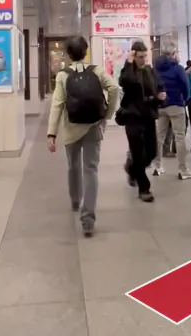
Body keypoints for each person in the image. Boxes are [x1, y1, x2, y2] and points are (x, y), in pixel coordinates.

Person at [47, 36, 119, 236]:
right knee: (91, 170)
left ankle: (75, 200)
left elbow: (57, 104)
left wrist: (52, 133)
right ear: (86, 52)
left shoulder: (63, 75)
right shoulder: (97, 71)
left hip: (71, 128)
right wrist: (106, 115)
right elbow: (114, 88)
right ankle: (88, 219)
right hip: (93, 126)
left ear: (69, 55)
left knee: (73, 165)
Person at [120, 41, 166, 202]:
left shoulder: (149, 70)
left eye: (145, 56)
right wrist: (129, 62)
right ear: (134, 56)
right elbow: (126, 81)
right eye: (140, 57)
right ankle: (144, 189)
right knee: (138, 153)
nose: (143, 59)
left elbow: (159, 85)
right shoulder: (128, 72)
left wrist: (161, 94)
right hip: (132, 117)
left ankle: (131, 168)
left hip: (148, 116)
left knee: (151, 152)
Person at [153, 43, 191, 180]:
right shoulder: (178, 68)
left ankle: (157, 166)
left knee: (159, 137)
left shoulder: (156, 69)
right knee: (179, 137)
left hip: (161, 106)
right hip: (176, 105)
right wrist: (185, 100)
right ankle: (183, 169)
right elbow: (185, 86)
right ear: (173, 53)